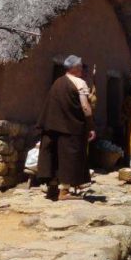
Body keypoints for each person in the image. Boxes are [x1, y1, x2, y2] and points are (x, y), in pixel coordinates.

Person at [36, 55, 94, 201]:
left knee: (54, 156)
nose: (81, 69)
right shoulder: (80, 82)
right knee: (69, 158)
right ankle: (65, 192)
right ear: (73, 68)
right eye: (80, 66)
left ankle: (52, 189)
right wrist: (90, 126)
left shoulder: (57, 82)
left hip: (53, 127)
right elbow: (85, 107)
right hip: (72, 128)